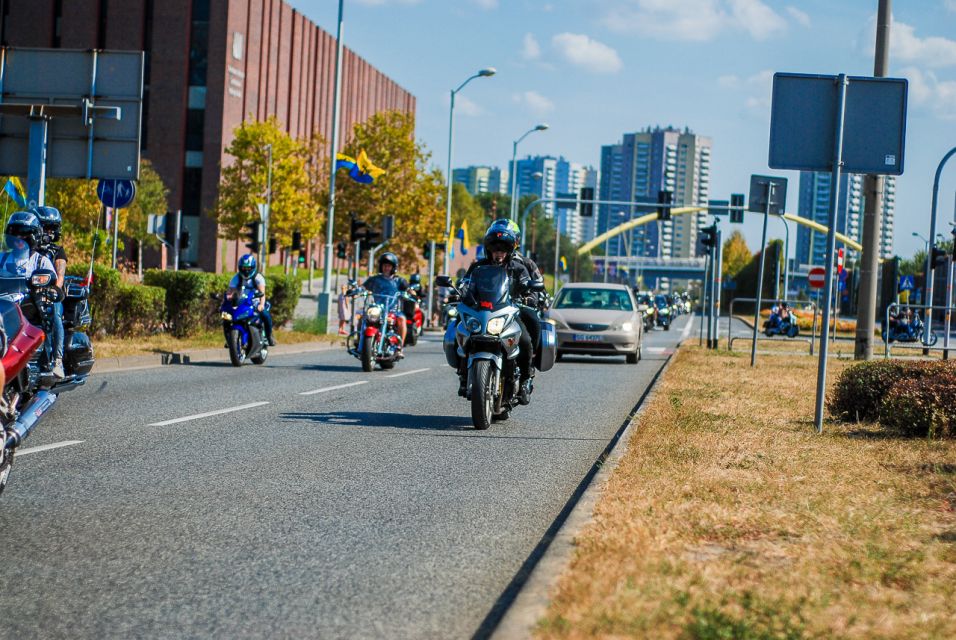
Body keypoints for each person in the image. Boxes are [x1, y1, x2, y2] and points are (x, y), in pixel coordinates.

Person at [462, 221, 537, 404]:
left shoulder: (518, 268)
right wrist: (458, 293)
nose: (499, 253)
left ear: (510, 250)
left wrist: (530, 296)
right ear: (489, 250)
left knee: (525, 340)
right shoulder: (478, 267)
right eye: (495, 249)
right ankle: (463, 374)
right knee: (458, 330)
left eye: (503, 249)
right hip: (481, 313)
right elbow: (465, 284)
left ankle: (526, 378)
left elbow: (530, 287)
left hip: (509, 314)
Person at [2, 211, 59, 375]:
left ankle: (50, 361)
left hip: (29, 305)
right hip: (5, 303)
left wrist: (44, 284)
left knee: (50, 314)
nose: (20, 239)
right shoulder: (2, 258)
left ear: (33, 237)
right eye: (16, 235)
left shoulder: (40, 260)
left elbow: (52, 279)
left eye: (25, 235)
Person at [33, 206, 67, 378]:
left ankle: (58, 360)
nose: (49, 232)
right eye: (46, 227)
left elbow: (60, 274)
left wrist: (55, 289)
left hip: (51, 294)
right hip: (30, 293)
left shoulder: (57, 251)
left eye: (52, 228)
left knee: (54, 314)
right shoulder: (30, 249)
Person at [226, 253, 275, 346]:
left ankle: (269, 336)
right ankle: (230, 339)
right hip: (241, 302)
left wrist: (261, 305)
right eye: (244, 268)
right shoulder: (236, 278)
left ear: (253, 267)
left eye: (248, 268)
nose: (246, 270)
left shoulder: (258, 278)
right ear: (240, 267)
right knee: (227, 318)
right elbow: (230, 291)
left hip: (255, 301)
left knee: (265, 315)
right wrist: (228, 297)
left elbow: (262, 293)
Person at [362, 252, 408, 348]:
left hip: (393, 310)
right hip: (378, 309)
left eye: (388, 266)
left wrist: (411, 292)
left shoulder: (399, 281)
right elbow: (363, 287)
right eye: (384, 266)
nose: (386, 268)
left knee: (402, 319)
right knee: (363, 317)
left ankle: (400, 346)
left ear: (393, 267)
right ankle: (360, 340)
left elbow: (408, 289)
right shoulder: (374, 279)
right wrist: (357, 290)